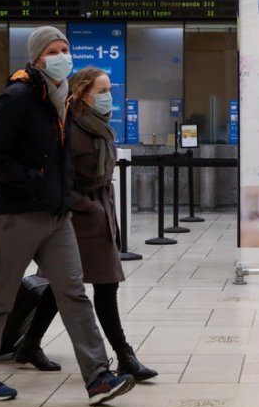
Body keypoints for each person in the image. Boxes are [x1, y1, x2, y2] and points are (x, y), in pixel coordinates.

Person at [0, 26, 136, 405]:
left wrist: (59, 190)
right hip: (17, 214)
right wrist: (33, 180)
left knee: (74, 293)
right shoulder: (19, 96)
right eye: (54, 50)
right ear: (38, 57)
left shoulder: (57, 99)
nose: (63, 55)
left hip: (56, 216)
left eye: (66, 48)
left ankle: (99, 378)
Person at [15, 66, 157, 382]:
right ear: (81, 94)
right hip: (78, 219)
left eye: (110, 91)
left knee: (61, 285)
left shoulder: (96, 124)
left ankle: (29, 344)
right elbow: (58, 181)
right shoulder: (70, 129)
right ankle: (125, 356)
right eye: (102, 91)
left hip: (98, 214)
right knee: (105, 286)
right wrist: (90, 207)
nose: (109, 98)